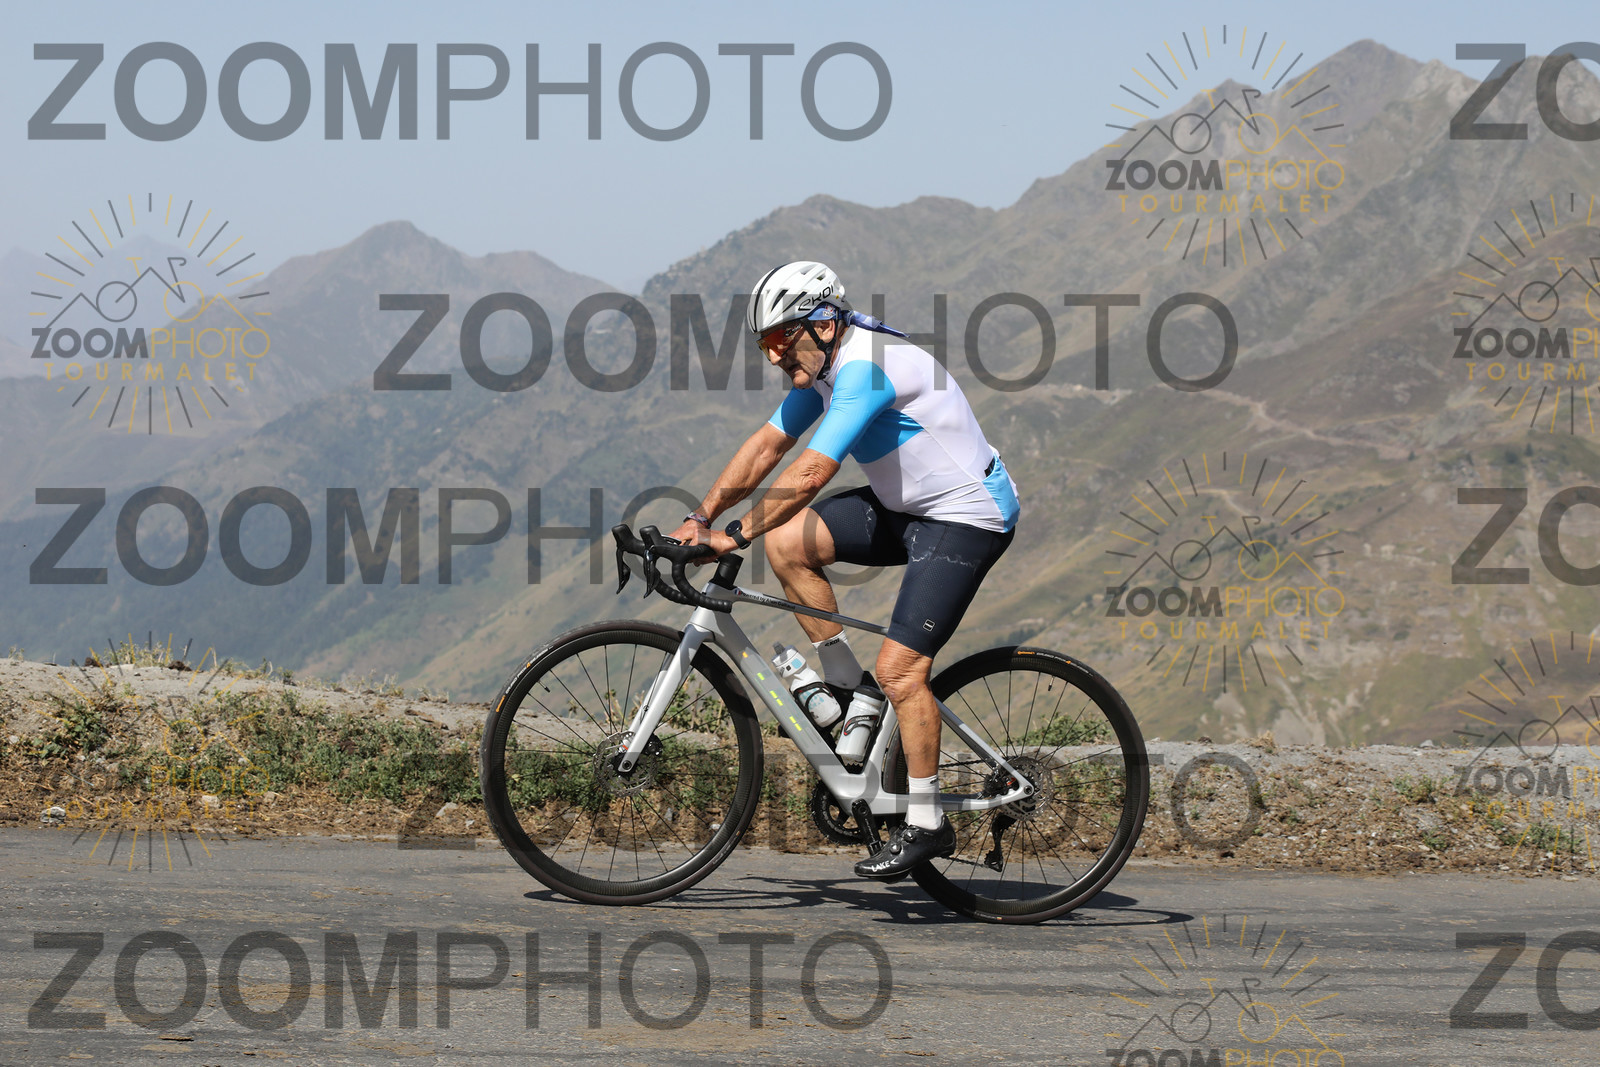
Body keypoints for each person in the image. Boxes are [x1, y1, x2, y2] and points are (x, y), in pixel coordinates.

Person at [669, 261, 1020, 878]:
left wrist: (732, 535)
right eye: (765, 343)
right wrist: (700, 516)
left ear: (824, 324)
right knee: (787, 544)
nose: (774, 355)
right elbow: (767, 447)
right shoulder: (824, 368)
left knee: (901, 671)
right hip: (906, 509)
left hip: (967, 515)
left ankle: (927, 821)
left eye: (782, 338)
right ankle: (847, 689)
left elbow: (811, 471)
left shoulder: (867, 368)